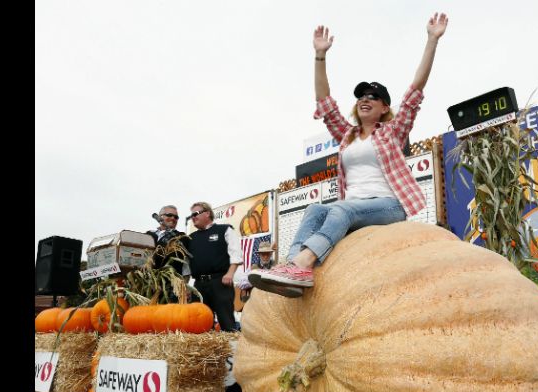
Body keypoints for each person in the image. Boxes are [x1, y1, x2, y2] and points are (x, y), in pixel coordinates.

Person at [250, 13, 448, 296]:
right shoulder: (347, 136)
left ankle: (303, 262)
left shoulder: (393, 131)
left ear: (384, 109)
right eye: (361, 96)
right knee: (315, 209)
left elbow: (414, 92)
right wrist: (320, 56)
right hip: (353, 208)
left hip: (388, 207)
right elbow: (325, 102)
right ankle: (292, 270)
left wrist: (431, 40)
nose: (365, 99)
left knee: (340, 208)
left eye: (373, 96)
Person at [185, 202, 242, 332]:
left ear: (207, 213)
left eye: (195, 214)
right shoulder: (191, 238)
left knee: (227, 323)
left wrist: (230, 274)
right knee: (199, 325)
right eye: (191, 215)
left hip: (221, 282)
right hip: (198, 286)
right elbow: (187, 264)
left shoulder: (224, 230)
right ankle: (202, 352)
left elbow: (236, 253)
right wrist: (186, 285)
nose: (193, 217)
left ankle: (230, 351)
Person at [146, 205, 188, 275]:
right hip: (146, 281)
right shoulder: (148, 234)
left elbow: (186, 269)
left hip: (169, 282)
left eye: (176, 217)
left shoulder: (181, 237)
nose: (173, 218)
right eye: (169, 215)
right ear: (160, 217)